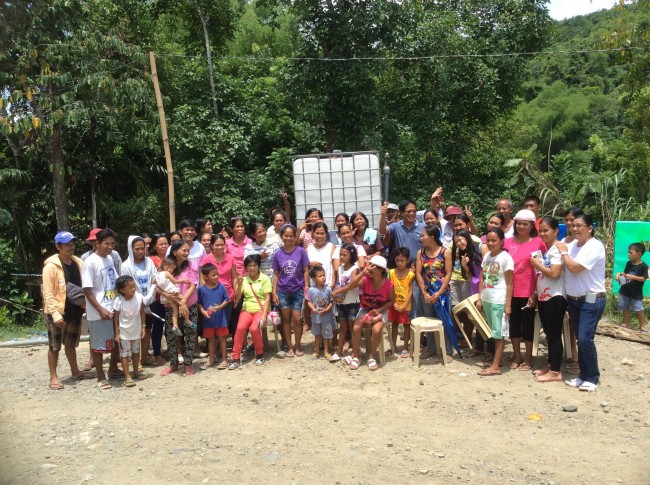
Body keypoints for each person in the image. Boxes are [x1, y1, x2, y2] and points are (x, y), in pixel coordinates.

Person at [556, 213, 606, 392]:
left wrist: (563, 252)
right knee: (580, 339)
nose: (574, 228)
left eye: (579, 225)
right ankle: (583, 375)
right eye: (572, 225)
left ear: (590, 228)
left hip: (592, 300)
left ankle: (592, 377)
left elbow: (575, 268)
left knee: (585, 339)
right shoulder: (572, 245)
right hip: (574, 300)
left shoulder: (595, 246)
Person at [43, 231, 92, 390]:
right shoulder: (51, 267)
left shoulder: (78, 262)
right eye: (67, 244)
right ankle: (53, 377)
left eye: (72, 243)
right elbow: (48, 293)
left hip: (75, 310)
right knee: (55, 346)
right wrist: (55, 314)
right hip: (57, 312)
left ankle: (75, 371)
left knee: (71, 344)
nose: (71, 247)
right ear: (58, 246)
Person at [334, 255, 395, 371]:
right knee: (356, 329)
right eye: (369, 265)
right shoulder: (365, 279)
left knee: (376, 330)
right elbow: (351, 285)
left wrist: (379, 310)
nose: (370, 268)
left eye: (373, 267)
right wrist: (363, 273)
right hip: (365, 309)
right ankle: (356, 356)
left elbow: (392, 300)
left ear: (381, 270)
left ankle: (371, 356)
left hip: (380, 310)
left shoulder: (388, 285)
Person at [504, 209, 546, 371]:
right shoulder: (507, 243)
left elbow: (542, 270)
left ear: (531, 225)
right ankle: (516, 355)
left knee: (527, 325)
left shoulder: (538, 243)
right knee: (513, 324)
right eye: (518, 223)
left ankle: (528, 357)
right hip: (509, 290)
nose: (521, 226)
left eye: (525, 224)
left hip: (529, 290)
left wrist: (535, 292)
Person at [81, 228, 121, 389]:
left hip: (113, 307)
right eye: (106, 243)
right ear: (97, 243)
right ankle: (100, 376)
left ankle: (113, 368)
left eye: (112, 243)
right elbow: (87, 289)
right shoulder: (90, 262)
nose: (110, 246)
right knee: (98, 345)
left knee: (117, 340)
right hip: (99, 312)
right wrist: (100, 309)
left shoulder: (110, 258)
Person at [530, 217, 567, 382]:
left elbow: (554, 274)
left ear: (556, 230)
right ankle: (551, 364)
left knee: (553, 335)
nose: (543, 233)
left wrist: (536, 264)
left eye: (546, 230)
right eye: (541, 230)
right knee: (549, 334)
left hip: (555, 297)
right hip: (545, 296)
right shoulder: (548, 249)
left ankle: (556, 371)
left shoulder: (556, 250)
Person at [476, 228, 514, 376]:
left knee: (498, 333)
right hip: (487, 298)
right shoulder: (487, 257)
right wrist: (480, 297)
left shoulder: (505, 257)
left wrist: (508, 305)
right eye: (488, 240)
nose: (490, 243)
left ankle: (496, 366)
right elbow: (482, 277)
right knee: (494, 331)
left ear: (501, 241)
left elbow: (510, 283)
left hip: (499, 299)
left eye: (494, 240)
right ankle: (497, 361)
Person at [159, 240, 199, 377]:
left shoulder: (192, 265)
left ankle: (188, 363)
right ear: (175, 252)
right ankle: (173, 363)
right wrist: (174, 299)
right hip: (171, 304)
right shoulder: (167, 266)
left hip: (190, 303)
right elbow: (158, 287)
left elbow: (193, 286)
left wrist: (183, 302)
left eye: (188, 250)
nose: (187, 253)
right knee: (171, 334)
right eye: (184, 250)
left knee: (190, 333)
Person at [416, 225, 453, 362]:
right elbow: (419, 274)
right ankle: (431, 348)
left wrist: (439, 293)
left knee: (445, 321)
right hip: (427, 293)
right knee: (429, 320)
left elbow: (448, 273)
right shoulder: (421, 253)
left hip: (442, 293)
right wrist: (424, 292)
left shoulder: (445, 252)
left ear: (432, 238)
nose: (421, 238)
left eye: (423, 235)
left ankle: (448, 350)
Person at [272, 224, 310, 357]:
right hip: (283, 291)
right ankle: (289, 347)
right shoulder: (277, 254)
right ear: (281, 237)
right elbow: (276, 273)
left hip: (298, 290)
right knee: (286, 319)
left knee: (298, 320)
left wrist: (306, 286)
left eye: (291, 236)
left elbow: (306, 270)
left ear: (295, 237)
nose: (288, 238)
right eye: (285, 235)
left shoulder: (301, 251)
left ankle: (298, 345)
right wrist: (274, 292)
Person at [120, 236, 157, 365]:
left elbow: (154, 280)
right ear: (131, 249)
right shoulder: (125, 266)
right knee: (134, 330)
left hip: (150, 301)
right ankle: (132, 358)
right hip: (133, 302)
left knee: (146, 329)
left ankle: (144, 356)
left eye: (142, 248)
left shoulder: (149, 262)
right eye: (137, 249)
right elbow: (128, 284)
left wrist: (147, 298)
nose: (140, 251)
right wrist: (141, 299)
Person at [230, 254, 271, 369]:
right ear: (245, 267)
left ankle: (259, 354)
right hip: (247, 309)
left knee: (254, 328)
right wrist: (239, 285)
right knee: (240, 328)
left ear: (259, 266)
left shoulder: (265, 279)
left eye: (254, 265)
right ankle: (236, 357)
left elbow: (267, 298)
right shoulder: (244, 280)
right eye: (249, 266)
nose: (252, 268)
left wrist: (263, 316)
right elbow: (237, 299)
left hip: (260, 309)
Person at [451, 230, 483, 352]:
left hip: (481, 287)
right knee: (472, 314)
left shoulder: (479, 248)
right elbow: (472, 273)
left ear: (467, 238)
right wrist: (464, 266)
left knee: (477, 316)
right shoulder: (464, 254)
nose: (458, 244)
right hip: (474, 286)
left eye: (460, 240)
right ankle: (476, 345)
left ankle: (480, 345)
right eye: (456, 242)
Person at [112, 275, 146, 387]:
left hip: (136, 330)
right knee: (125, 354)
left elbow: (142, 312)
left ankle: (136, 371)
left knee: (136, 351)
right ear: (122, 290)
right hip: (124, 332)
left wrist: (143, 326)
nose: (133, 289)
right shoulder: (119, 301)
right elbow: (116, 318)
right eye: (130, 287)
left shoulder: (139, 297)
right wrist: (117, 333)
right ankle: (127, 376)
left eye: (134, 286)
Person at [329, 243, 360, 362]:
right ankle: (339, 351)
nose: (341, 257)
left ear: (351, 256)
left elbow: (352, 284)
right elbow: (338, 283)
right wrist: (337, 294)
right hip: (342, 303)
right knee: (342, 328)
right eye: (340, 254)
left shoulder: (355, 269)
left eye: (344, 255)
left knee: (353, 329)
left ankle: (354, 353)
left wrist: (338, 292)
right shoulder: (340, 268)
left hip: (352, 303)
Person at [199, 234, 236, 330]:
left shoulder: (231, 258)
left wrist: (236, 294)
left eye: (222, 244)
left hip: (227, 297)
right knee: (211, 324)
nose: (219, 247)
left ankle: (221, 345)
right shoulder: (206, 259)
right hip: (211, 296)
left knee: (224, 324)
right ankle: (212, 345)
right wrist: (204, 295)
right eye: (216, 245)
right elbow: (202, 278)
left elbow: (234, 277)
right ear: (211, 246)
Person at [197, 263, 230, 370]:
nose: (216, 277)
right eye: (213, 275)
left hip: (220, 319)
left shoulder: (221, 286)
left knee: (222, 339)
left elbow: (226, 299)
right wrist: (203, 311)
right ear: (205, 277)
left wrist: (220, 307)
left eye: (217, 274)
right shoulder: (201, 289)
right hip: (208, 320)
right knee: (210, 340)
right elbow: (199, 303)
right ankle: (211, 359)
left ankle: (224, 359)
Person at [146, 233, 169, 365]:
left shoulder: (170, 257)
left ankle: (172, 350)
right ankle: (157, 353)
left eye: (165, 243)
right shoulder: (151, 260)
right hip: (158, 298)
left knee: (171, 325)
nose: (164, 246)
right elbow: (152, 281)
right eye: (161, 244)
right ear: (154, 246)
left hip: (171, 298)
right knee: (158, 326)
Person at [388, 247, 414, 357]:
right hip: (394, 303)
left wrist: (404, 305)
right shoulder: (391, 272)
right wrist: (393, 303)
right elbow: (389, 289)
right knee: (394, 324)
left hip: (406, 305)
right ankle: (392, 346)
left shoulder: (410, 275)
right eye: (397, 260)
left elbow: (411, 291)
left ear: (407, 260)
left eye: (402, 260)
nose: (399, 263)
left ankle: (405, 347)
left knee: (407, 325)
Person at [615, 243, 648, 332]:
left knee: (639, 309)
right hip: (625, 291)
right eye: (628, 252)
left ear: (639, 254)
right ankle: (625, 323)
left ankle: (642, 327)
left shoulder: (644, 266)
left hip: (636, 293)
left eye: (630, 252)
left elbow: (644, 278)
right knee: (625, 308)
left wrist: (633, 277)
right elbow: (626, 275)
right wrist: (619, 275)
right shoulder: (628, 263)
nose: (628, 254)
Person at [307, 266, 335, 359]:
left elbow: (331, 302)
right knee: (317, 334)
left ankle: (326, 351)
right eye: (320, 276)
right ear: (314, 279)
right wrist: (313, 309)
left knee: (326, 335)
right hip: (316, 317)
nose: (323, 277)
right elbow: (309, 301)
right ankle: (317, 350)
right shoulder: (311, 290)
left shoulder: (328, 289)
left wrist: (327, 309)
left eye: (324, 275)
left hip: (326, 317)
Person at [155, 258, 188, 336]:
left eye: (173, 268)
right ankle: (187, 320)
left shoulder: (157, 274)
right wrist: (183, 280)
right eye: (171, 267)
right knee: (183, 303)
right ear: (164, 265)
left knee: (175, 310)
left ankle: (175, 326)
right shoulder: (166, 273)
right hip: (173, 291)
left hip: (165, 296)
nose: (172, 270)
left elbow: (154, 283)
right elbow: (175, 281)